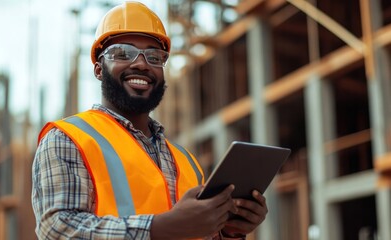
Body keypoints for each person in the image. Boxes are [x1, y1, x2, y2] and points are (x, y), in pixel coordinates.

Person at [31, 1, 268, 239]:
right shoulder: (68, 138)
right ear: (99, 69)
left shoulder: (187, 162)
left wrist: (228, 231)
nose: (142, 64)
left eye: (154, 57)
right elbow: (58, 229)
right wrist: (161, 228)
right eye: (123, 53)